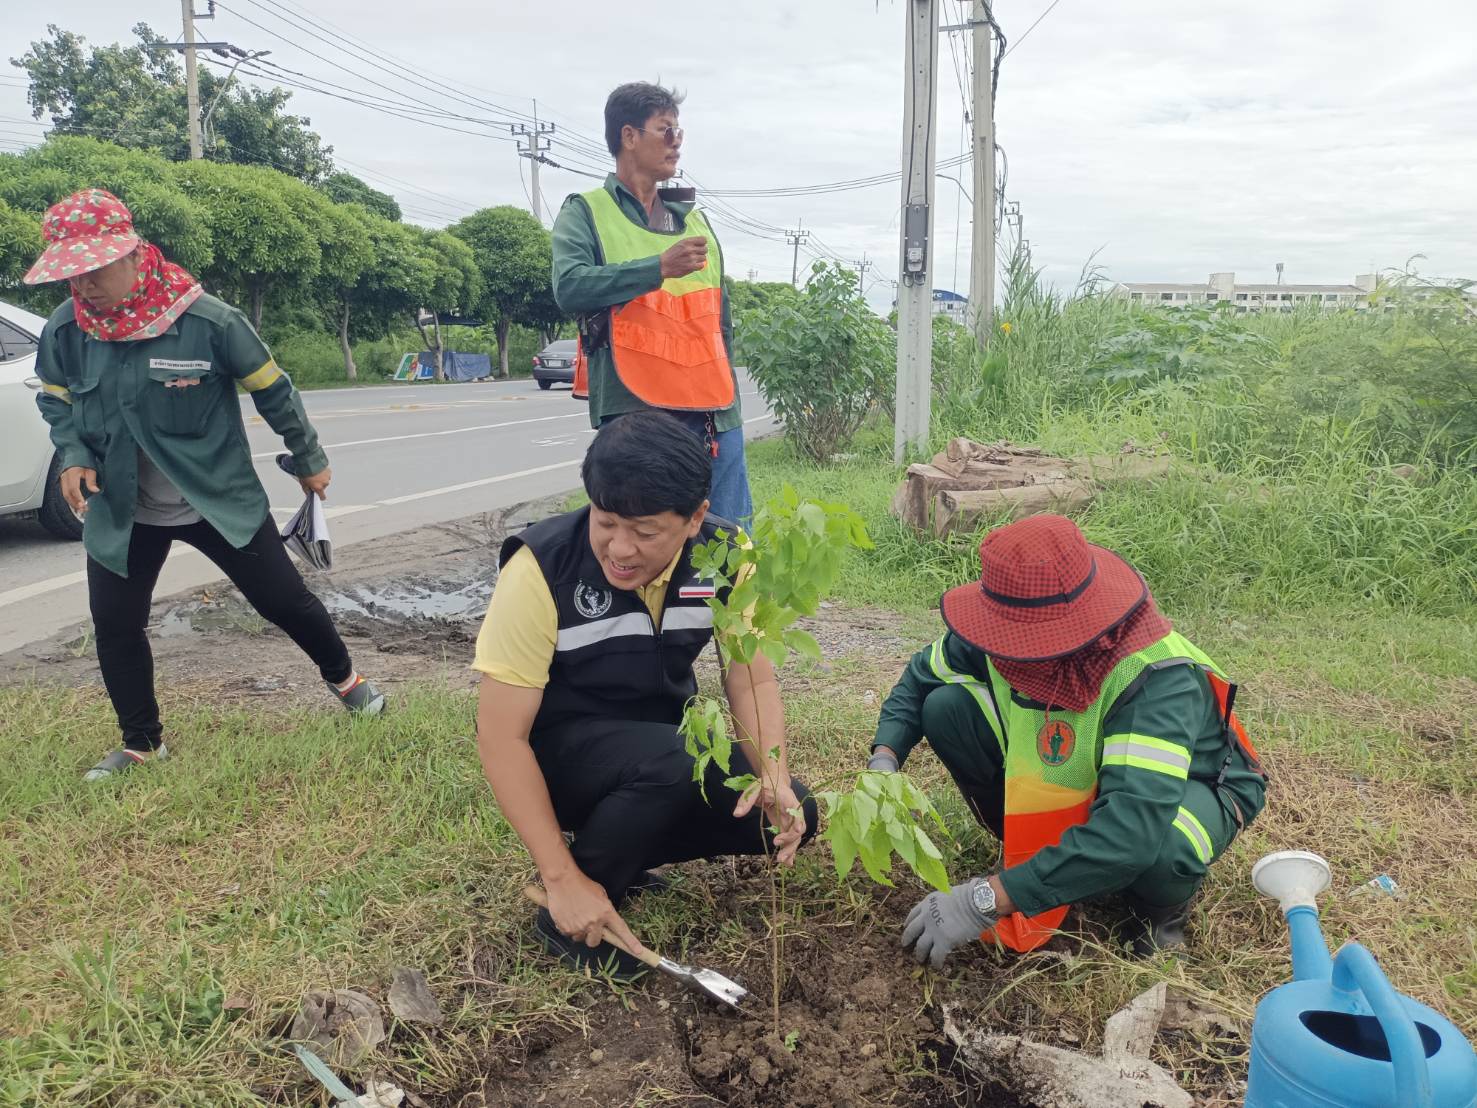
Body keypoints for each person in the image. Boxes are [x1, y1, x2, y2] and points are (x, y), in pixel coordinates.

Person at [28, 189, 386, 781]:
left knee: (283, 600)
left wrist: (308, 456)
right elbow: (55, 397)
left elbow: (272, 388)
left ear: (135, 254)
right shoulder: (68, 328)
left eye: (96, 270)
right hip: (124, 506)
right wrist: (73, 452)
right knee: (115, 623)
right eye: (73, 273)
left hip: (214, 497)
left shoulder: (207, 320)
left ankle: (348, 681)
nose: (84, 286)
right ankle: (142, 743)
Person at [472, 410, 814, 978]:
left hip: (659, 750)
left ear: (695, 517)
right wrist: (561, 878)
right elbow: (500, 736)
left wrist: (773, 775)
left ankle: (620, 857)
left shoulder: (725, 555)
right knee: (672, 762)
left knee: (788, 811)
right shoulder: (542, 567)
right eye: (606, 522)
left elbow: (750, 676)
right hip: (560, 759)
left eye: (646, 532)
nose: (620, 549)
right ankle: (571, 903)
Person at [870, 514, 1267, 965]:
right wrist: (885, 758)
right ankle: (1047, 864)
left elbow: (1131, 831)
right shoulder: (1005, 625)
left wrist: (985, 899)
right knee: (946, 708)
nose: (1009, 656)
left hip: (1196, 783)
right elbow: (920, 678)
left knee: (1165, 846)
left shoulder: (1157, 679)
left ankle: (1157, 913)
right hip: (1092, 770)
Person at [551, 81, 752, 524]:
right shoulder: (587, 211)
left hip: (713, 409)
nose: (676, 142)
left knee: (727, 538)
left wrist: (730, 406)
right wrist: (656, 268)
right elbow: (569, 286)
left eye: (679, 131)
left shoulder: (694, 219)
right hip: (634, 407)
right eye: (665, 130)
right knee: (643, 536)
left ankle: (718, 581)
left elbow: (720, 323)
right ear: (629, 136)